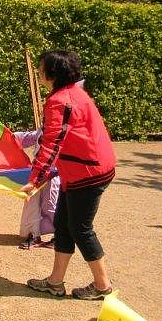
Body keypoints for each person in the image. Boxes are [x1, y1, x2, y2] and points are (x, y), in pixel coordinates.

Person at [22, 50, 116, 300]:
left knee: (80, 228)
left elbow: (52, 144)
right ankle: (55, 282)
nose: (39, 73)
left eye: (41, 69)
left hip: (88, 173)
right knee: (63, 225)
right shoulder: (73, 92)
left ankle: (102, 285)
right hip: (79, 171)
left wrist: (34, 180)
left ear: (52, 73)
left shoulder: (60, 101)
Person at [14, 130, 59, 249]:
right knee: (32, 203)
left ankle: (60, 236)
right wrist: (11, 137)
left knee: (51, 204)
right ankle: (33, 235)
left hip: (54, 172)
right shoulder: (44, 126)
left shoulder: (65, 126)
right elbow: (31, 137)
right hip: (36, 171)